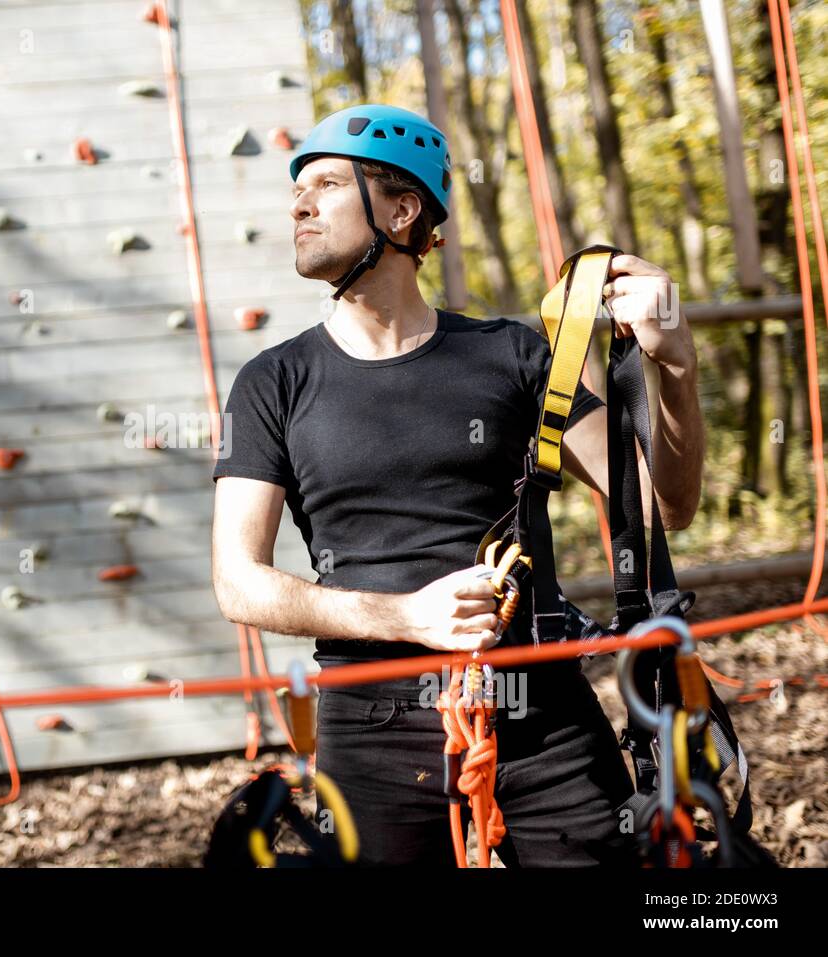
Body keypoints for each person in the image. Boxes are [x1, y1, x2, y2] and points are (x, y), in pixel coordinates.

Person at [209, 104, 703, 867]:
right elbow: (239, 584)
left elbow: (663, 505)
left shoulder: (511, 356)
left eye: (327, 185)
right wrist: (407, 613)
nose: (298, 205)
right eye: (297, 190)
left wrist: (675, 367)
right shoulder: (274, 382)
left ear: (402, 210)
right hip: (370, 720)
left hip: (539, 705)